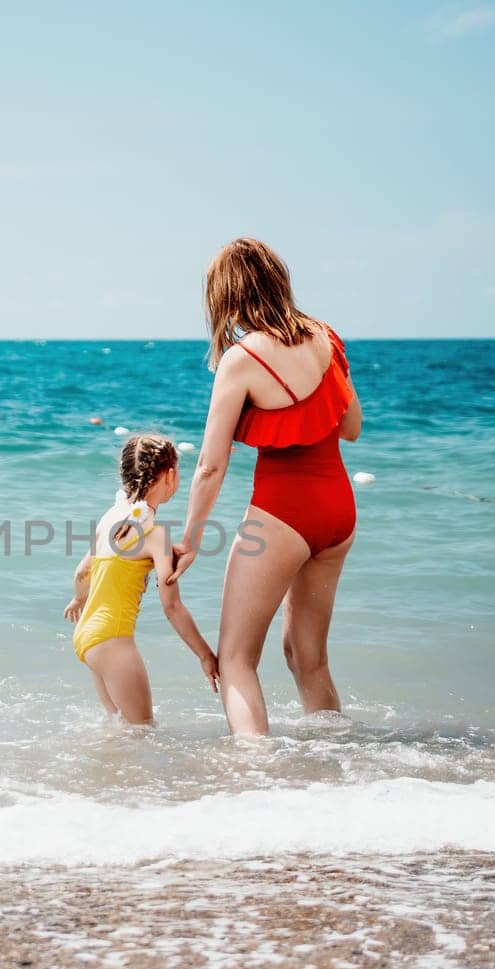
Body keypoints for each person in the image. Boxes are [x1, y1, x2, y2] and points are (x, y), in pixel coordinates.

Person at [166, 238, 362, 736]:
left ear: (226, 295)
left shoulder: (241, 359)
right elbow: (352, 427)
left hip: (283, 512)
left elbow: (211, 466)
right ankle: (335, 762)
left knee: (235, 658)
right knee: (307, 658)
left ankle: (257, 780)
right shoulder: (326, 337)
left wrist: (189, 540)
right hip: (339, 510)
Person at [66, 433, 219, 725]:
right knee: (141, 730)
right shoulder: (155, 534)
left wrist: (77, 599)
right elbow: (172, 607)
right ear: (171, 475)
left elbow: (81, 572)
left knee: (118, 726)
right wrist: (205, 654)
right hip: (113, 640)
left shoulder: (111, 518)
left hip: (87, 636)